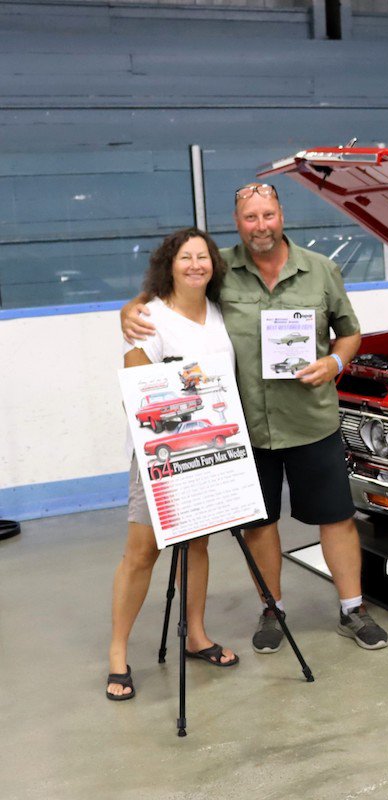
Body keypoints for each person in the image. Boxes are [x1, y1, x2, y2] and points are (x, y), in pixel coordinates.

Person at [122, 183, 388, 653]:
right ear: (237, 222)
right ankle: (273, 609)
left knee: (336, 518)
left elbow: (350, 333)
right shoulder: (220, 268)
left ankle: (353, 609)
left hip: (312, 421)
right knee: (259, 525)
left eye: (268, 215)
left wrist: (335, 362)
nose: (260, 226)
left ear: (281, 215)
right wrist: (130, 308)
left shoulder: (321, 270)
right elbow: (171, 289)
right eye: (250, 218)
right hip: (246, 428)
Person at [108, 228, 240, 701]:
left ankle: (196, 635)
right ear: (170, 264)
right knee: (142, 552)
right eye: (185, 257)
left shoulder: (221, 313)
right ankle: (118, 653)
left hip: (206, 452)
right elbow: (136, 393)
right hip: (158, 456)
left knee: (197, 544)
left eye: (203, 257)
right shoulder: (150, 317)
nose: (195, 265)